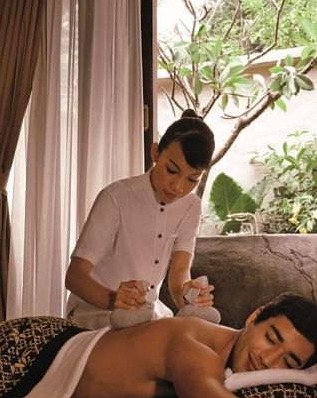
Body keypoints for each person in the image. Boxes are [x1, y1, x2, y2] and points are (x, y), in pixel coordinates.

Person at [72, 292, 317, 398]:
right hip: (49, 352)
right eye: (271, 338)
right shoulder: (195, 348)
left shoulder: (224, 360)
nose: (268, 360)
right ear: (254, 317)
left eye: (287, 362)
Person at [65, 110, 219, 329]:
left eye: (192, 179)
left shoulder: (191, 206)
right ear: (155, 152)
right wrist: (115, 299)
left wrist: (189, 297)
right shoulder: (115, 197)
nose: (178, 187)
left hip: (147, 315)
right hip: (95, 313)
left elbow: (179, 274)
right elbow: (74, 277)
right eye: (171, 170)